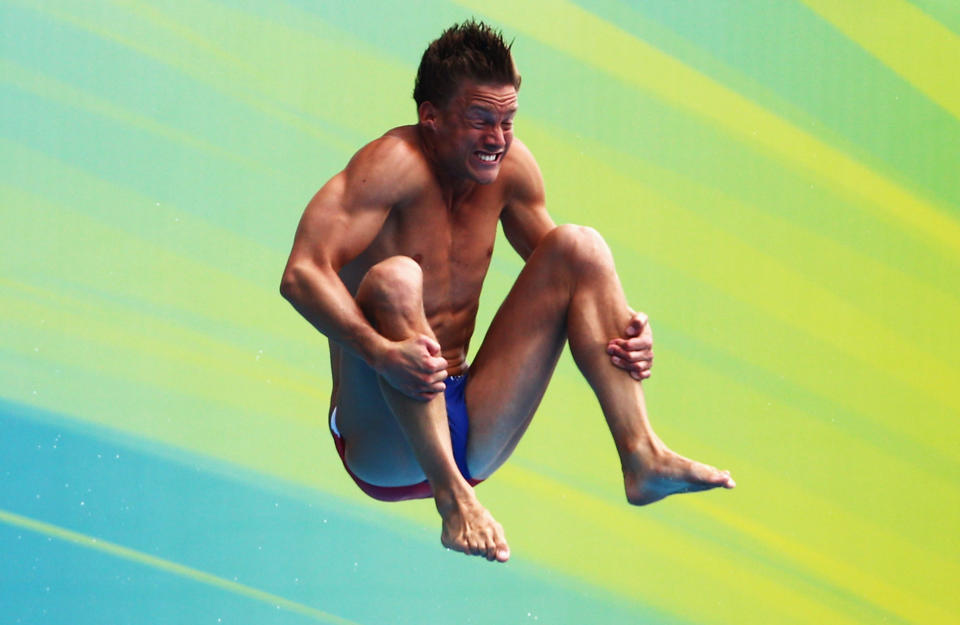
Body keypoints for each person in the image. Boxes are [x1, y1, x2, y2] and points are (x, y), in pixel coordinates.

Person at [280, 20, 734, 564]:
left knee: (580, 246)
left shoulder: (511, 172)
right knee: (395, 277)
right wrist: (379, 352)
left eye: (507, 120)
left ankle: (642, 454)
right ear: (431, 118)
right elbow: (301, 274)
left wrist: (630, 332)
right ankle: (452, 503)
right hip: (384, 438)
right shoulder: (389, 167)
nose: (497, 139)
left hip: (471, 422)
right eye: (479, 121)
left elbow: (579, 284)